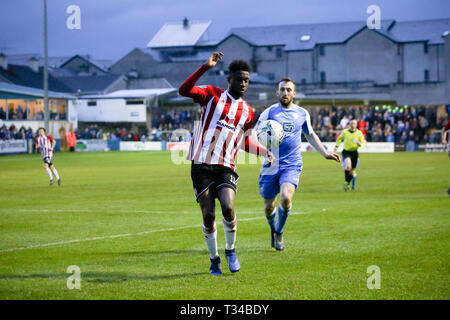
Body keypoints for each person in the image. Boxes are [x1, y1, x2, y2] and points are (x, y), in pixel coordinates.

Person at [178, 52, 273, 275]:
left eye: (247, 80)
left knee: (228, 208)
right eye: (239, 79)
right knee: (208, 215)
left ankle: (230, 250)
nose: (243, 84)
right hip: (201, 164)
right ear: (229, 79)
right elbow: (183, 90)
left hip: (226, 166)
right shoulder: (211, 94)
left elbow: (243, 142)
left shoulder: (248, 112)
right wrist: (205, 67)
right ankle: (214, 259)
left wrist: (264, 152)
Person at [256, 78, 340, 251]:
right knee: (268, 206)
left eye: (288, 90)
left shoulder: (302, 113)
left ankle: (279, 232)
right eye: (282, 89)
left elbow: (310, 134)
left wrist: (325, 153)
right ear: (277, 92)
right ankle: (273, 229)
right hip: (271, 165)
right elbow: (255, 133)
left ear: (294, 93)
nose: (285, 93)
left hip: (292, 164)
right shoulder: (269, 113)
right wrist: (263, 151)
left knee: (286, 198)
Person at [334, 119, 366, 191]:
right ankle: (346, 182)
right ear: (349, 124)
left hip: (354, 152)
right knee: (348, 166)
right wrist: (336, 146)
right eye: (351, 123)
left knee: (352, 171)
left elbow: (363, 142)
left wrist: (360, 144)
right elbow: (339, 138)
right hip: (346, 151)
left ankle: (347, 183)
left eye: (354, 123)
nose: (352, 125)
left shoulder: (359, 133)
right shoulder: (345, 132)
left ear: (356, 125)